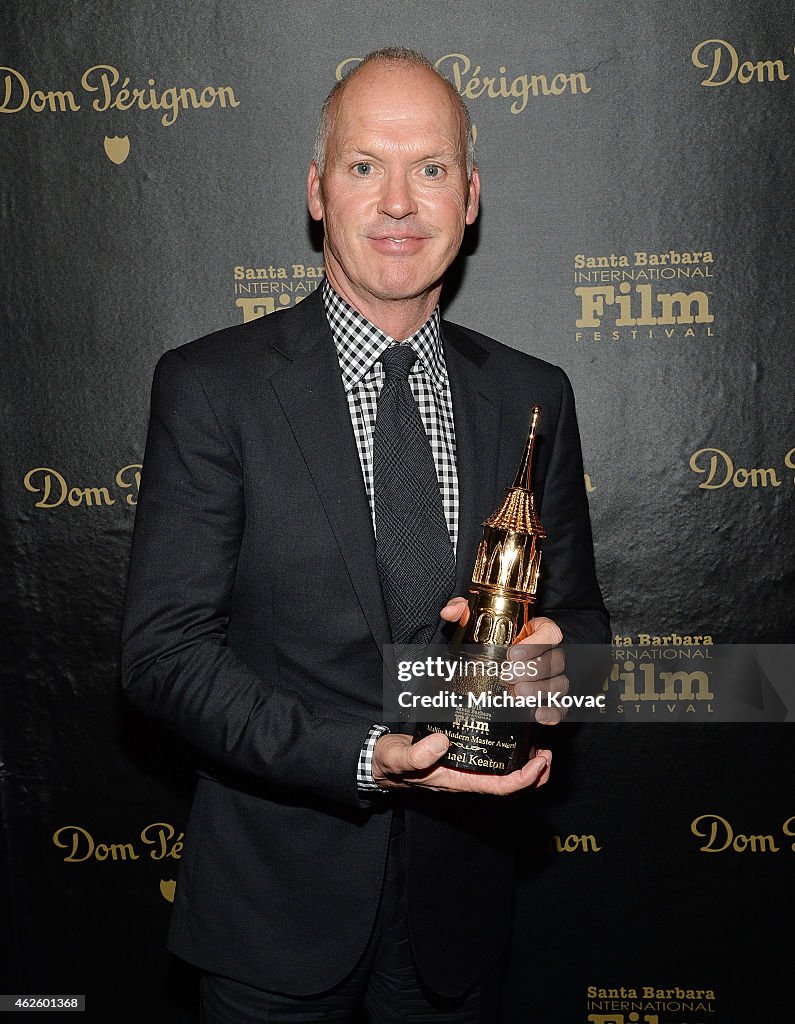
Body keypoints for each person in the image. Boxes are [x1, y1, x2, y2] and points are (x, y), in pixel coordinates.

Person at [121, 46, 610, 1024]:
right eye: (363, 166)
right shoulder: (213, 388)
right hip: (271, 914)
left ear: (469, 197)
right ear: (317, 192)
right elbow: (162, 654)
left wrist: (561, 678)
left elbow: (584, 627)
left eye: (429, 168)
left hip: (459, 912)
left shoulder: (532, 395)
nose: (398, 201)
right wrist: (364, 752)